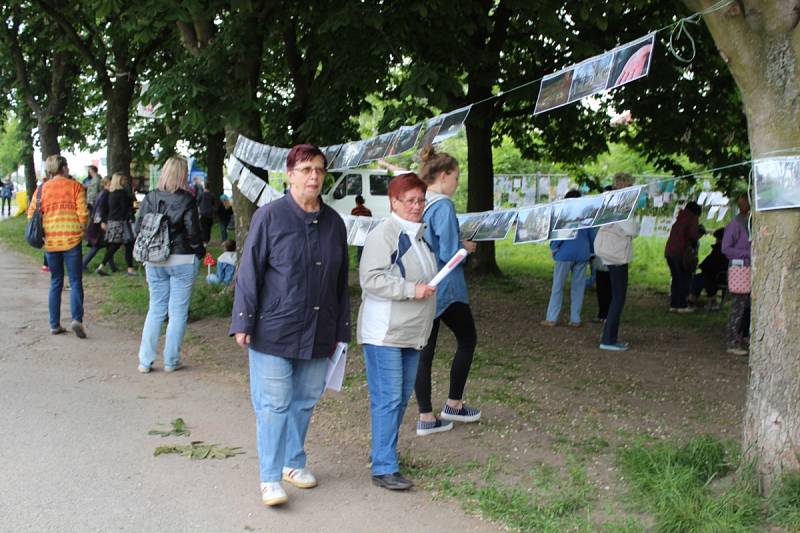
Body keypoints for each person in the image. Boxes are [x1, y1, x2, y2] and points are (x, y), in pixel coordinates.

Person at [229, 144, 350, 507]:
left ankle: (292, 463)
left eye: (319, 169)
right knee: (274, 404)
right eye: (306, 169)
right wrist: (242, 321)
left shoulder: (334, 223)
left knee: (304, 401)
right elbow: (249, 273)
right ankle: (269, 478)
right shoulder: (269, 217)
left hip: (319, 329)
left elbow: (341, 281)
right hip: (274, 329)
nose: (314, 175)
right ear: (290, 174)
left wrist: (342, 331)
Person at [359, 172, 437, 490]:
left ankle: (382, 453)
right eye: (410, 200)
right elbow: (371, 278)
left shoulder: (418, 235)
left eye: (421, 200)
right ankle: (384, 468)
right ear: (394, 202)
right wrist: (410, 289)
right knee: (389, 398)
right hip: (384, 332)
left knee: (400, 398)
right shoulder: (385, 234)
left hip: (410, 332)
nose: (417, 206)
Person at [413, 147, 480, 437]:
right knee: (468, 338)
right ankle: (453, 403)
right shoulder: (443, 206)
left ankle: (426, 416)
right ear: (443, 175)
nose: (457, 183)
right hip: (446, 287)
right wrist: (465, 248)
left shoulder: (417, 202)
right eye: (456, 177)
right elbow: (449, 251)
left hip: (422, 284)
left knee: (424, 351)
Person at [135, 156, 205, 373]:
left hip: (154, 258)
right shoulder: (187, 199)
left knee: (155, 308)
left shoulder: (150, 197)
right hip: (182, 258)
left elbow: (139, 227)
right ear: (183, 174)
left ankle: (145, 361)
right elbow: (193, 232)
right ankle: (171, 360)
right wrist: (200, 252)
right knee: (177, 312)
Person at [27, 155, 88, 338]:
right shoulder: (75, 186)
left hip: (51, 243)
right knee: (76, 281)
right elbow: (83, 215)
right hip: (72, 240)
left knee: (55, 282)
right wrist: (81, 229)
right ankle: (77, 319)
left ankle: (54, 324)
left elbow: (31, 215)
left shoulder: (41, 189)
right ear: (64, 168)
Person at [593, 173, 640, 351]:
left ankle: (610, 337)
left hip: (609, 252)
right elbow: (633, 229)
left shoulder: (608, 203)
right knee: (618, 298)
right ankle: (608, 339)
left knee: (617, 297)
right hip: (616, 255)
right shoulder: (621, 206)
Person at [542, 189, 596, 327]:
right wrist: (591, 252)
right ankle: (575, 318)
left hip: (564, 254)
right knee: (578, 288)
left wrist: (554, 249)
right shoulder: (586, 216)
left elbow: (558, 236)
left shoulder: (564, 215)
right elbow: (592, 236)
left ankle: (552, 318)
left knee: (558, 286)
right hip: (583, 254)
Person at [722, 193, 751, 355]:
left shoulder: (751, 222)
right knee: (738, 307)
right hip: (740, 270)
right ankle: (732, 341)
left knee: (747, 307)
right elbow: (726, 249)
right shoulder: (735, 224)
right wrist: (747, 252)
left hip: (752, 269)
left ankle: (743, 335)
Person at [95, 173, 136, 276]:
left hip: (112, 221)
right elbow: (125, 208)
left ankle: (102, 266)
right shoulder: (122, 193)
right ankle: (130, 269)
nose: (125, 182)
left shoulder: (111, 194)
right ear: (119, 181)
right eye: (123, 180)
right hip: (121, 222)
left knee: (114, 245)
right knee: (128, 244)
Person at [664, 201, 702, 312]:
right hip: (681, 252)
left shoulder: (680, 217)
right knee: (684, 278)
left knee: (676, 278)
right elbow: (693, 235)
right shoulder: (692, 218)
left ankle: (674, 304)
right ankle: (682, 305)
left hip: (669, 251)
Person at [688, 228, 728, 310]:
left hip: (716, 277)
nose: (716, 240)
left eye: (717, 238)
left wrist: (701, 266)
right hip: (721, 275)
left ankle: (692, 299)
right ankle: (707, 300)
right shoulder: (728, 250)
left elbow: (707, 264)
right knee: (701, 277)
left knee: (698, 278)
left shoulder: (719, 250)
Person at [82, 177, 114, 271]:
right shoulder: (105, 194)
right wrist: (102, 222)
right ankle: (83, 264)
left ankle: (112, 267)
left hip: (97, 222)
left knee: (108, 245)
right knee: (98, 246)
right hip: (99, 224)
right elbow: (100, 209)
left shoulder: (102, 193)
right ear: (107, 184)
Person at [351, 195, 372, 262]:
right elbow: (371, 221)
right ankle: (366, 261)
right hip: (366, 231)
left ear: (356, 202)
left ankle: (360, 262)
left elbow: (352, 221)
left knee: (359, 247)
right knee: (365, 247)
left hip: (358, 231)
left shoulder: (354, 210)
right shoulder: (368, 211)